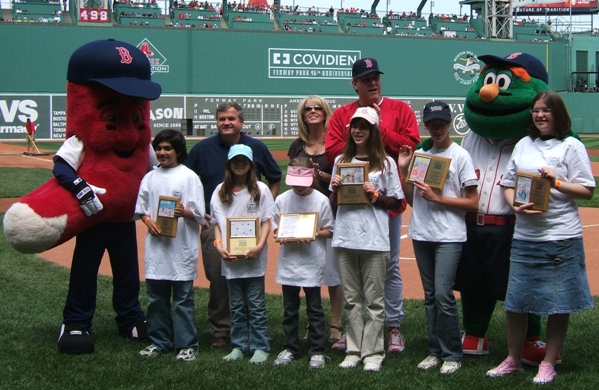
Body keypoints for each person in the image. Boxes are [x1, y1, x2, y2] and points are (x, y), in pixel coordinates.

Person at [487, 91, 595, 384]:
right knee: (516, 301)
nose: (540, 115)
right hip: (524, 236)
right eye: (536, 110)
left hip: (560, 236)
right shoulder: (523, 144)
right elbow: (507, 184)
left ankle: (548, 362)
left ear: (557, 114)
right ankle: (513, 358)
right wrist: (514, 204)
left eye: (546, 110)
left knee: (558, 303)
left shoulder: (571, 146)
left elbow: (587, 190)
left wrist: (556, 181)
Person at [325, 57, 420, 353]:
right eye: (366, 79)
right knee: (350, 268)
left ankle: (393, 327)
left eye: (376, 77)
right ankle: (352, 330)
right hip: (351, 207)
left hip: (384, 206)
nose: (373, 83)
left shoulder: (400, 109)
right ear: (355, 84)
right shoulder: (342, 114)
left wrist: (378, 128)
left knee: (389, 265)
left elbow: (409, 145)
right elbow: (332, 152)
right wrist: (364, 134)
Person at [185, 102, 281, 349]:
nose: (226, 123)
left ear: (241, 122)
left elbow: (275, 177)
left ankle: (254, 331)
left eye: (231, 118)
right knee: (219, 278)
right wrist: (200, 212)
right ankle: (222, 329)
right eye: (221, 119)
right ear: (217, 122)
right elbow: (187, 180)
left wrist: (263, 204)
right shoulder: (202, 148)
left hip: (251, 227)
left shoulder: (256, 147)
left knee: (250, 281)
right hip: (215, 225)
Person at [397, 101, 478, 375]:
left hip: (449, 235)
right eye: (432, 124)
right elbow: (411, 200)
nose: (438, 128)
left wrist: (438, 198)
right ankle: (435, 351)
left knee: (444, 295)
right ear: (426, 125)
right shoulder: (421, 154)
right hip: (422, 233)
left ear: (449, 122)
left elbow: (473, 202)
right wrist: (404, 169)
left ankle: (452, 353)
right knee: (430, 296)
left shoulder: (461, 155)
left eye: (442, 123)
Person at [330, 106, 404, 372]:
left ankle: (373, 352)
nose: (358, 131)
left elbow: (396, 201)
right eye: (355, 126)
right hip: (345, 238)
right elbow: (334, 206)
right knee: (351, 300)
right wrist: (335, 190)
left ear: (373, 130)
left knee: (374, 300)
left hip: (374, 240)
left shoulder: (386, 163)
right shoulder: (341, 161)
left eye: (364, 126)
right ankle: (353, 349)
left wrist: (376, 195)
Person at [135, 129, 205, 362]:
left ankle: (187, 344)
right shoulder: (150, 177)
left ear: (178, 151)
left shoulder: (189, 177)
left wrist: (184, 212)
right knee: (156, 299)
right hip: (157, 248)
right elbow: (141, 208)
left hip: (181, 247)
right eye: (159, 148)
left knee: (183, 299)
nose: (162, 153)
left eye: (168, 148)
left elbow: (200, 215)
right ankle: (160, 341)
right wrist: (147, 221)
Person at [287, 96, 344, 348]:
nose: (312, 111)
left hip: (332, 212)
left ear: (325, 112)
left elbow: (344, 177)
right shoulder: (297, 146)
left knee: (332, 271)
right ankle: (313, 320)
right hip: (303, 214)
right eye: (307, 108)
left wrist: (318, 173)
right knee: (310, 269)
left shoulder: (335, 144)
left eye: (317, 107)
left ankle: (335, 322)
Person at [211, 144, 275, 364]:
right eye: (235, 161)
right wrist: (219, 245)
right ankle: (239, 345)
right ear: (229, 164)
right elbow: (217, 224)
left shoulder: (261, 189)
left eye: (244, 161)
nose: (240, 164)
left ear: (250, 165)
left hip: (253, 258)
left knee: (256, 304)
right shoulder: (220, 191)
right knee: (236, 305)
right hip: (230, 259)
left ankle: (260, 346)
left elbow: (267, 221)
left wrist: (259, 245)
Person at [271, 157, 335, 369]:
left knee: (314, 308)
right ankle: (290, 346)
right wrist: (279, 234)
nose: (298, 186)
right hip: (289, 262)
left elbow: (330, 229)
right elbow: (274, 227)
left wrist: (315, 233)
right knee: (290, 309)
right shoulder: (282, 200)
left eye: (302, 181)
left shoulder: (320, 200)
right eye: (294, 181)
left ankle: (316, 349)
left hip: (312, 262)